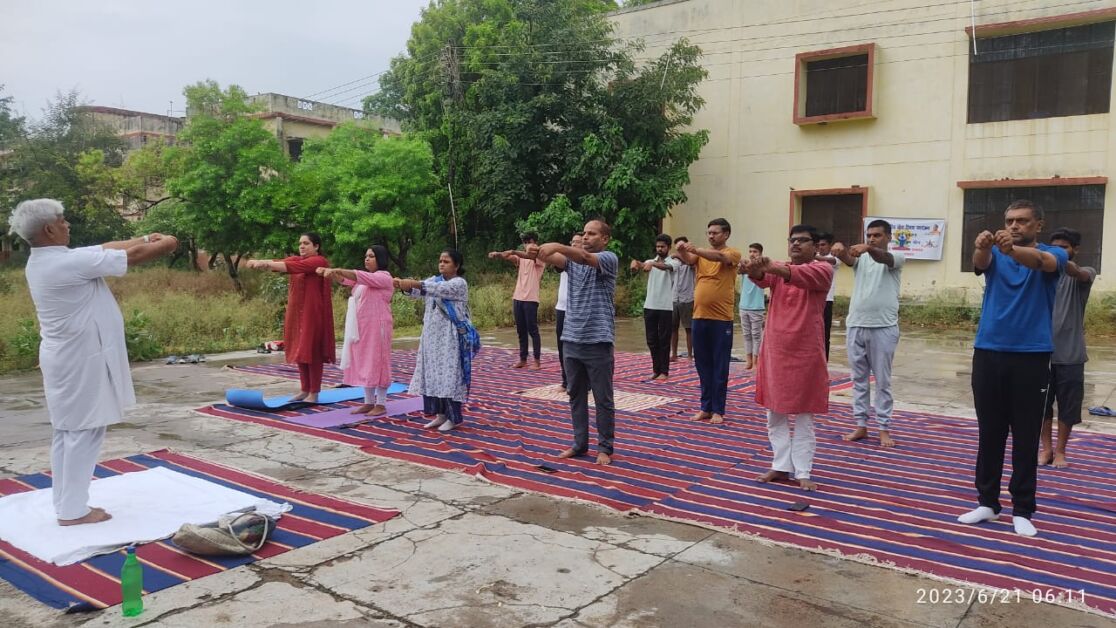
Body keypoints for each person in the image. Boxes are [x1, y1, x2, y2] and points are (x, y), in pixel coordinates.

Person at [10, 198, 178, 525]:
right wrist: (167, 243)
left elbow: (102, 247)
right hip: (79, 360)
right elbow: (131, 257)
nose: (67, 224)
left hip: (70, 358)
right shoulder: (65, 264)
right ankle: (73, 512)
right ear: (48, 228)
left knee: (69, 431)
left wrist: (144, 237)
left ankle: (65, 503)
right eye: (62, 220)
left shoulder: (50, 259)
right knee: (83, 431)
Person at [958, 199, 1067, 537]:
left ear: (1039, 225)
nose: (1015, 226)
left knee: (1025, 435)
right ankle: (987, 503)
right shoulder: (996, 254)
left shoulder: (1056, 254)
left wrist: (1010, 250)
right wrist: (981, 247)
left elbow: (1041, 262)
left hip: (1032, 357)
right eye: (1009, 220)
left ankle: (1023, 508)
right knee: (989, 432)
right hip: (988, 352)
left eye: (1022, 221)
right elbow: (981, 262)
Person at [742, 225, 833, 492]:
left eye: (803, 241)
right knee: (775, 413)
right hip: (775, 351)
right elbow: (761, 277)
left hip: (805, 352)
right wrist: (754, 267)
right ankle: (781, 465)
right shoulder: (778, 268)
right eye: (792, 240)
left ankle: (803, 470)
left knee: (804, 415)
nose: (796, 244)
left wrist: (768, 266)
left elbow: (790, 273)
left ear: (815, 246)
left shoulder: (823, 269)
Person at [528, 219, 619, 465]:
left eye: (592, 234)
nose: (587, 237)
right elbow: (556, 259)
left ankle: (605, 447)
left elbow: (584, 258)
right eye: (585, 234)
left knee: (603, 398)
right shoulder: (572, 264)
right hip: (571, 338)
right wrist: (538, 252)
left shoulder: (608, 259)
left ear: (605, 239)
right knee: (575, 395)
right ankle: (580, 444)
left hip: (598, 340)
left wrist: (557, 245)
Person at [830, 220, 905, 448]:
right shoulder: (861, 260)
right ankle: (861, 425)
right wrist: (840, 249)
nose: (872, 239)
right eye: (869, 235)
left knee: (882, 381)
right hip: (856, 325)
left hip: (883, 327)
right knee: (859, 380)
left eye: (877, 235)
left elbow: (883, 258)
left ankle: (884, 428)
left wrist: (869, 248)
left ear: (888, 237)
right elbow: (847, 259)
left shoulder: (897, 259)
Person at [246, 233, 336, 402]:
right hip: (297, 312)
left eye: (306, 243)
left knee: (312, 350)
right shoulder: (297, 259)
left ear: (316, 246)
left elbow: (290, 267)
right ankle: (304, 390)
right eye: (300, 243)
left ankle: (314, 393)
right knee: (300, 348)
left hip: (313, 312)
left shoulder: (318, 262)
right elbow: (282, 262)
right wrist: (262, 262)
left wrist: (264, 263)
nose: (302, 246)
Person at [395, 249, 475, 432]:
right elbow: (417, 292)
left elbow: (434, 289)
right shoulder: (433, 279)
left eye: (446, 261)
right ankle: (440, 415)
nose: (441, 264)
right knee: (432, 375)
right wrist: (401, 285)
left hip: (450, 337)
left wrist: (412, 283)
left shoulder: (458, 283)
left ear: (457, 265)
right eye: (440, 261)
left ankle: (453, 418)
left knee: (449, 376)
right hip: (431, 337)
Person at [675, 218, 742, 424]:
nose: (711, 236)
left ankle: (718, 410)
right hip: (699, 316)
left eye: (715, 233)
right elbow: (687, 259)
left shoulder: (733, 253)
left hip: (721, 319)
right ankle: (705, 407)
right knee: (702, 364)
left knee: (720, 365)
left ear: (726, 234)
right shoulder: (700, 255)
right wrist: (681, 249)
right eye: (709, 233)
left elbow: (720, 257)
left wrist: (696, 249)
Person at [1040, 228, 1096, 469]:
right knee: (1040, 405)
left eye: (1064, 247)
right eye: (1055, 247)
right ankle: (1046, 449)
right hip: (1040, 352)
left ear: (1075, 250)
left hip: (1071, 354)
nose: (1059, 251)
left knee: (1068, 406)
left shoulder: (1081, 275)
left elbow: (1081, 273)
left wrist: (1065, 264)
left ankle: (1061, 451)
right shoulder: (1041, 274)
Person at [317, 245, 394, 416]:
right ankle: (368, 402)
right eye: (366, 256)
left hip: (378, 327)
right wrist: (328, 271)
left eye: (371, 256)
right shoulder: (364, 280)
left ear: (380, 259)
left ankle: (380, 403)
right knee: (366, 361)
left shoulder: (383, 277)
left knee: (378, 362)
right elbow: (344, 279)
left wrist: (337, 269)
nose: (367, 259)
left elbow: (355, 275)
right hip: (363, 327)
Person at [488, 232, 545, 369]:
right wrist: (497, 254)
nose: (526, 245)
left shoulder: (540, 256)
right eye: (524, 243)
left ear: (534, 242)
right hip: (518, 296)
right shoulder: (521, 258)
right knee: (521, 330)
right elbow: (511, 257)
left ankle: (537, 360)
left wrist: (513, 251)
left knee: (533, 330)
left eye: (528, 242)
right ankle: (523, 359)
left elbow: (527, 255)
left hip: (531, 298)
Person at [631, 234, 678, 381]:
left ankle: (664, 371)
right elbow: (643, 266)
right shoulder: (651, 261)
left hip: (666, 306)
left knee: (664, 340)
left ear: (668, 248)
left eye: (662, 247)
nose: (659, 249)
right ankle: (656, 370)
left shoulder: (674, 262)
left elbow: (666, 267)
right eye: (657, 246)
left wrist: (652, 265)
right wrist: (635, 263)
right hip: (650, 305)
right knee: (651, 340)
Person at [555, 232, 584, 391]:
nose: (574, 245)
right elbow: (557, 264)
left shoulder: (586, 261)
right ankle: (566, 380)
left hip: (578, 309)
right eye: (572, 242)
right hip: (562, 308)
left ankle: (582, 382)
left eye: (578, 242)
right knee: (562, 346)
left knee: (579, 347)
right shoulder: (565, 260)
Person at [737, 242, 767, 370]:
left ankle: (756, 362)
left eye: (755, 252)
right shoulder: (745, 266)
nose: (752, 254)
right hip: (744, 306)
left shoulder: (763, 267)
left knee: (756, 335)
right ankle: (748, 361)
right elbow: (739, 269)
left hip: (757, 307)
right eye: (750, 251)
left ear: (760, 253)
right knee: (746, 335)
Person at [670, 236, 696, 361]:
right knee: (673, 328)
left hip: (688, 298)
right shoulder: (673, 261)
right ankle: (673, 354)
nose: (679, 250)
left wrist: (680, 255)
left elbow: (690, 263)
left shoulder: (691, 261)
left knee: (689, 328)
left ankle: (690, 355)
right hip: (674, 297)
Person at [815, 232, 838, 361]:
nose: (820, 247)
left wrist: (814, 256)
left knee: (824, 335)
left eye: (823, 245)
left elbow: (831, 261)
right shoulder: (814, 258)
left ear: (830, 246)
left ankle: (824, 362)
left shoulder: (834, 258)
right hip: (813, 300)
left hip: (827, 301)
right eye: (818, 245)